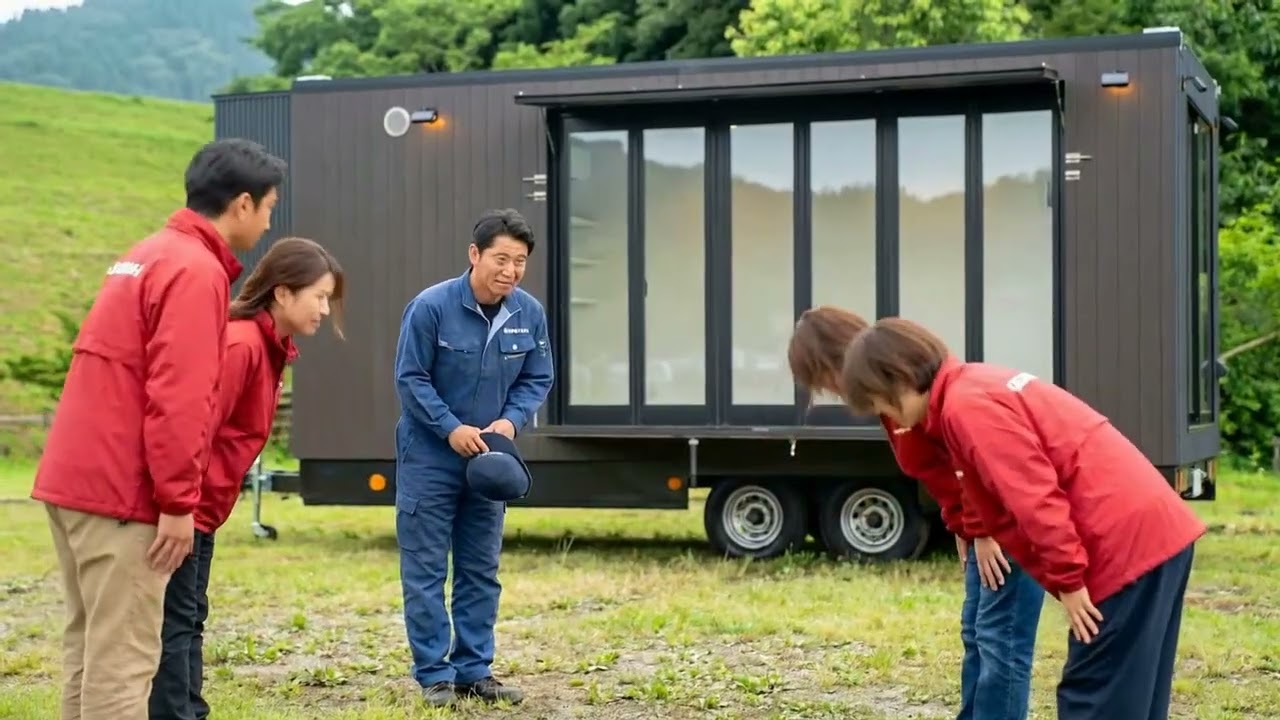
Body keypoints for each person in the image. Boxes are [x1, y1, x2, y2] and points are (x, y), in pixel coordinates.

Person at [30, 138, 286, 720]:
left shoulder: (146, 252)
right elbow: (180, 396)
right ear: (242, 204)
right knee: (124, 665)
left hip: (72, 479)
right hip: (124, 494)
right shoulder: (196, 271)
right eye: (270, 206)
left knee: (90, 650)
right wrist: (178, 503)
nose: (270, 221)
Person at [839, 316, 1207, 720]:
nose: (883, 413)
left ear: (900, 377)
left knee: (1095, 696)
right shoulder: (972, 385)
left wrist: (1069, 580)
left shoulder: (966, 407)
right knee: (1131, 694)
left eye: (879, 400)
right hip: (1152, 533)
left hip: (1125, 545)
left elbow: (1033, 496)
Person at [787, 306, 1043, 720]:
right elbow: (941, 473)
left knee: (1002, 643)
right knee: (978, 636)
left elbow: (972, 460)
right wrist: (961, 526)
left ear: (839, 359)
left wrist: (984, 530)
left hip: (1005, 526)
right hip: (980, 526)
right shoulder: (888, 403)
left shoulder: (908, 386)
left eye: (826, 379)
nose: (834, 392)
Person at [148, 237, 345, 720]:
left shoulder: (271, 344)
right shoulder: (242, 345)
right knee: (176, 621)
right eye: (319, 295)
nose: (324, 308)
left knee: (190, 616)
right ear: (282, 293)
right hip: (185, 507)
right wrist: (181, 507)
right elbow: (196, 428)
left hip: (204, 508)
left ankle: (190, 708)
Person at [393, 208, 555, 707]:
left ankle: (474, 670)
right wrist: (451, 428)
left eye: (520, 261)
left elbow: (537, 377)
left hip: (489, 461)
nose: (509, 271)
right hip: (429, 458)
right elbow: (410, 378)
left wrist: (510, 422)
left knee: (480, 568)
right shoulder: (431, 307)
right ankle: (434, 675)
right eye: (500, 259)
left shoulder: (528, 313)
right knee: (424, 570)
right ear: (474, 255)